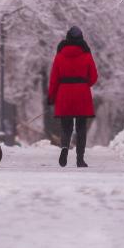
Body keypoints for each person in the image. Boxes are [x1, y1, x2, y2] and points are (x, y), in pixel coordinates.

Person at [48, 26, 98, 168]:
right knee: (81, 127)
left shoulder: (60, 55)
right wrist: (84, 83)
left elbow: (54, 79)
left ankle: (64, 148)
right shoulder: (87, 55)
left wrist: (51, 96)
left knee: (66, 126)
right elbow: (94, 76)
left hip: (64, 93)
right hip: (82, 93)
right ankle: (80, 159)